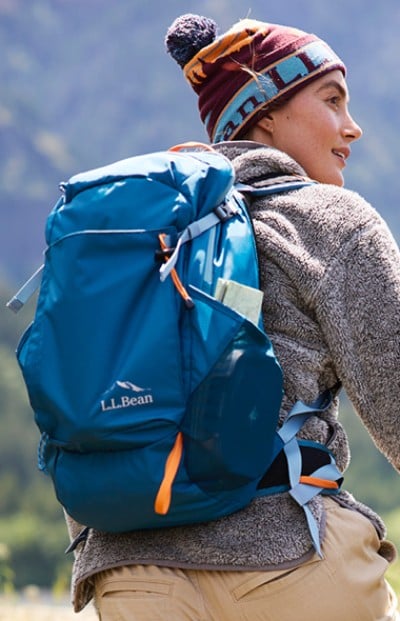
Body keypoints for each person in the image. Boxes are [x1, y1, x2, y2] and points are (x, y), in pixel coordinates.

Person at [66, 14, 400, 620]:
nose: (353, 127)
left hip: (130, 572)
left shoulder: (133, 228)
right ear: (264, 114)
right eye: (331, 99)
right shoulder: (333, 221)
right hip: (290, 559)